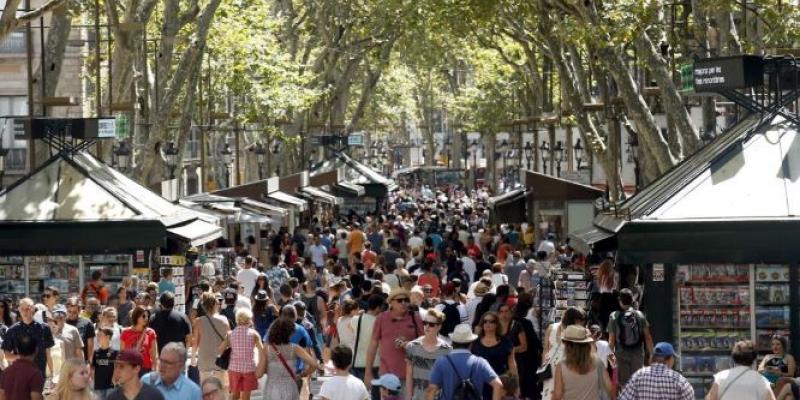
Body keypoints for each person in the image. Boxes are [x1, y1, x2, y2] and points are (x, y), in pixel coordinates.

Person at [365, 288, 424, 394]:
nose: (404, 303)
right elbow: (373, 345)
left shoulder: (415, 318)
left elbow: (424, 343)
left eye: (406, 300)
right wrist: (368, 372)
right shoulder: (381, 318)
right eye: (399, 300)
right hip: (387, 375)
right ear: (391, 302)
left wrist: (409, 345)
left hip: (410, 376)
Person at [426, 324, 503, 400]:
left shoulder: (441, 361)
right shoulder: (480, 362)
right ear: (471, 343)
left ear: (453, 342)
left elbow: (431, 390)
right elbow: (498, 385)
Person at [256, 317, 318, 400]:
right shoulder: (295, 348)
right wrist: (303, 374)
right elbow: (314, 364)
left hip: (272, 389)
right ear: (289, 333)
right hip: (290, 388)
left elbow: (259, 374)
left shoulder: (267, 349)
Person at [608, 288, 653, 387]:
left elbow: (611, 341)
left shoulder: (614, 316)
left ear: (619, 301)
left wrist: (610, 358)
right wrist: (651, 355)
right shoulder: (640, 315)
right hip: (637, 355)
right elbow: (648, 337)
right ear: (632, 300)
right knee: (638, 383)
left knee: (624, 384)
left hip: (621, 355)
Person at [553, 324, 613, 400]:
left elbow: (557, 395)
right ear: (586, 345)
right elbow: (609, 388)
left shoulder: (561, 366)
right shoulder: (598, 362)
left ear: (567, 345)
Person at [404, 309, 452, 400]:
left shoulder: (447, 350)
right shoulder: (412, 346)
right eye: (425, 323)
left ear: (439, 327)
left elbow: (447, 379)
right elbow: (409, 375)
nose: (427, 326)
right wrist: (408, 397)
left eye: (431, 324)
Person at [620, 342, 693, 400]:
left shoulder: (638, 376)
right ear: (670, 359)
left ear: (653, 358)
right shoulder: (679, 380)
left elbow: (624, 398)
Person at [2, 297, 55, 378]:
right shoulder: (12, 330)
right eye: (22, 309)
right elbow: (7, 355)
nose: (25, 311)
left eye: (28, 308)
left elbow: (48, 354)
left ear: (33, 309)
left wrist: (52, 375)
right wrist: (19, 357)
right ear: (19, 310)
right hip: (20, 376)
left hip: (39, 374)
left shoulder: (44, 328)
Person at [541, 307, 585, 400]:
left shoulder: (551, 327)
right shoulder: (575, 333)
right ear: (575, 320)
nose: (582, 324)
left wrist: (544, 365)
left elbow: (545, 348)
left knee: (550, 394)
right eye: (581, 320)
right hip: (566, 367)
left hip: (550, 367)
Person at [707, 340, 774, 400]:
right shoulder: (761, 380)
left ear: (734, 357)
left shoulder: (721, 377)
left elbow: (711, 398)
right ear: (753, 359)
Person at [219, 309, 263, 400]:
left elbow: (220, 349)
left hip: (234, 368)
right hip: (249, 368)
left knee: (235, 395)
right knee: (246, 397)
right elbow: (262, 351)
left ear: (237, 320)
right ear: (249, 320)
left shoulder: (230, 334)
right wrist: (260, 366)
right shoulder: (254, 334)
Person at [472, 311, 516, 399]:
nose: (487, 324)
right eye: (485, 321)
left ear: (496, 324)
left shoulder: (505, 342)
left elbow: (512, 364)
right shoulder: (475, 342)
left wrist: (516, 385)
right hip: (480, 384)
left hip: (501, 382)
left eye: (491, 321)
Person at [193, 292, 231, 387]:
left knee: (205, 390)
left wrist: (193, 358)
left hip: (204, 360)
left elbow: (195, 343)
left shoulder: (198, 321)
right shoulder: (224, 320)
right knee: (221, 390)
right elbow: (229, 341)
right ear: (215, 304)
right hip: (220, 361)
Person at [0, 333, 45, 400]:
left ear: (17, 350)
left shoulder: (6, 371)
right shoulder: (35, 374)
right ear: (36, 350)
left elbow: (2, 396)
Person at [119, 306, 158, 376]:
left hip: (146, 370)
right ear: (136, 316)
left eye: (147, 316)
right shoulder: (125, 332)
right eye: (143, 316)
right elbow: (122, 354)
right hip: (130, 370)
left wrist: (155, 371)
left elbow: (154, 355)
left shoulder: (151, 332)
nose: (146, 318)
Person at [65, 297, 95, 362]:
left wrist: (89, 363)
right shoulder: (62, 323)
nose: (71, 314)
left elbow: (90, 346)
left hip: (82, 362)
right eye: (69, 311)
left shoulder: (87, 323)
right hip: (66, 362)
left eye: (74, 312)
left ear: (79, 311)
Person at [92, 327, 118, 399]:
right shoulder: (96, 352)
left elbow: (117, 368)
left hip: (110, 386)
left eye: (100, 335)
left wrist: (115, 381)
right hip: (98, 386)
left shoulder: (115, 353)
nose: (98, 337)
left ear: (107, 337)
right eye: (97, 335)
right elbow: (93, 368)